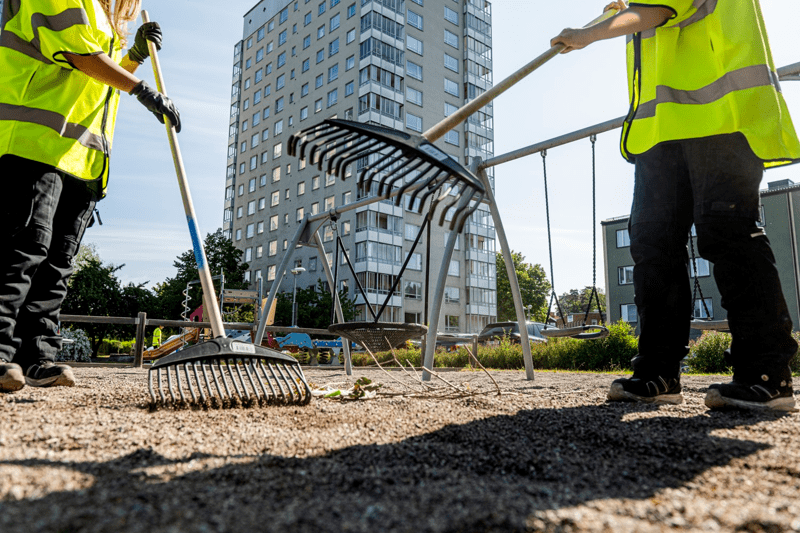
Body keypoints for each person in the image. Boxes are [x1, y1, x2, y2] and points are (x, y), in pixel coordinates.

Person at [551, 0, 800, 411]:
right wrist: (624, 12)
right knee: (652, 244)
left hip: (723, 120)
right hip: (663, 133)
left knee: (727, 234)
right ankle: (658, 373)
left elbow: (660, 10)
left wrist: (587, 34)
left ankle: (766, 374)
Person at [0, 0, 181, 392]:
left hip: (82, 159)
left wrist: (133, 57)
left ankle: (37, 356)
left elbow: (99, 79)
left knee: (57, 265)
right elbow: (81, 55)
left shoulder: (100, 16)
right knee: (22, 252)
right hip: (33, 145)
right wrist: (142, 90)